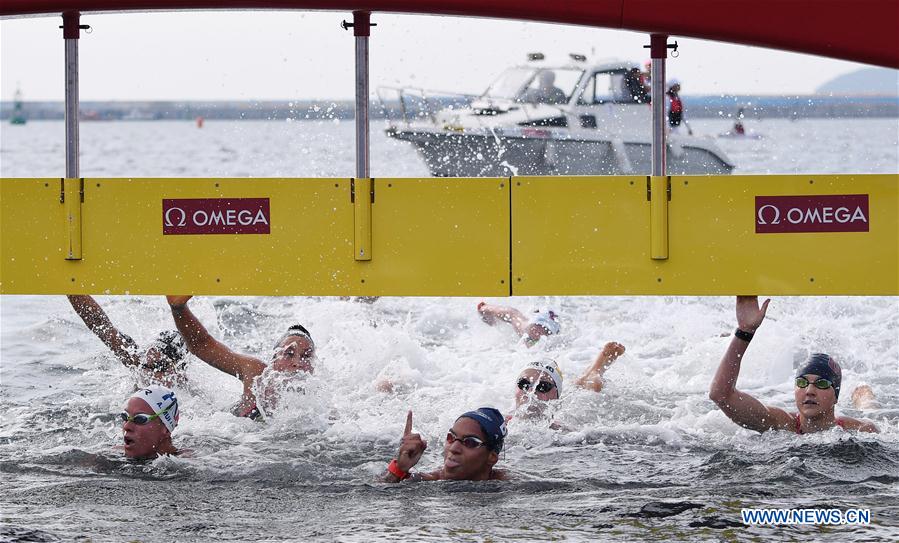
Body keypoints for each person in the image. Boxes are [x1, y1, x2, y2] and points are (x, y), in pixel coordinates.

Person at [709, 296, 879, 434]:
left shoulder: (861, 430)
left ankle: (862, 394)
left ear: (836, 396)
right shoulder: (779, 424)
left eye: (821, 383)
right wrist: (745, 332)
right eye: (802, 382)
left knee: (869, 409)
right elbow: (720, 395)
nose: (809, 391)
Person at [166, 296, 316, 420]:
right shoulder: (257, 375)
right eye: (289, 353)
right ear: (273, 359)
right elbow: (202, 345)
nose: (297, 363)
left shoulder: (319, 404)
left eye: (306, 356)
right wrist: (178, 308)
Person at [67, 295, 188, 386]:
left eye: (159, 367)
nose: (147, 375)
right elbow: (99, 324)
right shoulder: (136, 362)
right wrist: (71, 284)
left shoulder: (189, 396)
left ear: (179, 375)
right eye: (145, 366)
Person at [383, 409, 508, 482]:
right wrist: (399, 469)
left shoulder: (507, 484)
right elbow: (380, 491)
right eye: (451, 437)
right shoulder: (432, 479)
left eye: (470, 442)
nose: (453, 448)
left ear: (491, 457)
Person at [512, 342, 626, 422]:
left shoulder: (563, 425)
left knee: (592, 387)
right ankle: (592, 372)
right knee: (576, 387)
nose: (531, 391)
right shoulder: (505, 419)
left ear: (556, 394)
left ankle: (594, 371)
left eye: (543, 386)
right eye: (524, 384)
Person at [120, 385, 181, 460]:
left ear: (166, 429)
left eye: (140, 419)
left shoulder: (186, 463)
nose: (126, 427)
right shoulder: (112, 453)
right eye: (125, 417)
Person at [477, 302, 560, 347]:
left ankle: (484, 308)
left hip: (542, 325)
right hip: (550, 327)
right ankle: (484, 309)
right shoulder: (526, 326)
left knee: (513, 314)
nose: (537, 333)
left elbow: (511, 312)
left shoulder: (529, 325)